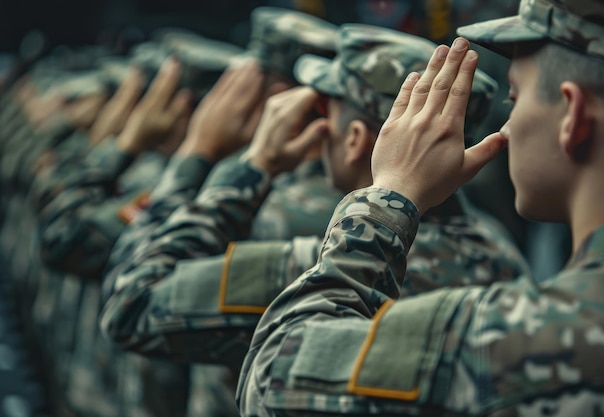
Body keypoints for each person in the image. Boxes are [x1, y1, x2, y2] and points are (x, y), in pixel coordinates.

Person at [101, 23, 527, 408]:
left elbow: (131, 305)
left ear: (356, 140)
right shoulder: (500, 254)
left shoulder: (321, 261)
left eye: (329, 117)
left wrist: (239, 163)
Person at [236, 0, 604, 415]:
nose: (508, 127)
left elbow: (273, 375)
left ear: (572, 115)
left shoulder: (509, 337)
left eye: (515, 98)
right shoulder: (501, 253)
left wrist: (391, 193)